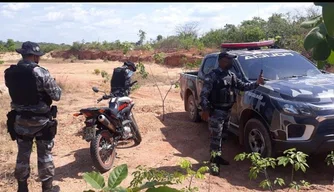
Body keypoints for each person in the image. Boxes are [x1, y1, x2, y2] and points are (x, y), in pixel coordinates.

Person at [4, 41, 62, 192]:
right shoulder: (40, 72)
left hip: (20, 121)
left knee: (22, 155)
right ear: (35, 56)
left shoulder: (10, 72)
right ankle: (47, 189)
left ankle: (22, 188)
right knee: (45, 156)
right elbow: (56, 95)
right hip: (41, 122)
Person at [199, 51, 264, 176]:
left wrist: (256, 83)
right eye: (228, 60)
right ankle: (214, 163)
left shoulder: (231, 75)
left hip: (227, 111)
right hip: (216, 112)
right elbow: (204, 95)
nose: (231, 62)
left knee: (223, 137)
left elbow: (243, 86)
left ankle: (218, 158)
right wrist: (205, 110)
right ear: (222, 61)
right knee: (215, 139)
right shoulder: (212, 76)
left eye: (231, 60)